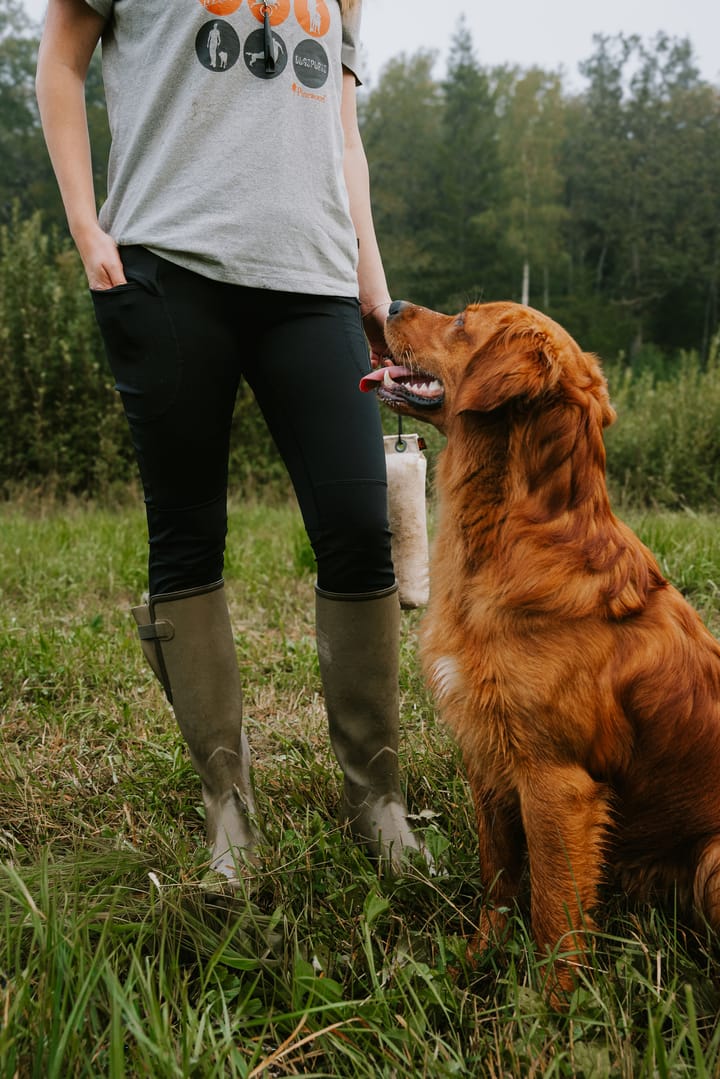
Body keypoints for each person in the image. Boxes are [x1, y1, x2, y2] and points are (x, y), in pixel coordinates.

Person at [36, 0, 427, 885]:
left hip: (313, 278)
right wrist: (86, 226)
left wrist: (375, 288)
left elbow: (343, 132)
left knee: (361, 527)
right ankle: (229, 813)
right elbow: (58, 62)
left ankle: (378, 799)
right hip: (167, 267)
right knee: (186, 532)